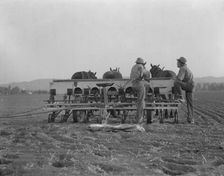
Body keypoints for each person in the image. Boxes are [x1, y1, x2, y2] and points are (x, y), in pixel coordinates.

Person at [174, 57, 195, 124]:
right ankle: (191, 119)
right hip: (191, 85)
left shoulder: (182, 69)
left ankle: (180, 97)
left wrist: (175, 79)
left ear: (181, 63)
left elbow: (179, 79)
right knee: (189, 103)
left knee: (176, 83)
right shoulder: (185, 68)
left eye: (178, 62)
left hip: (188, 85)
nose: (177, 63)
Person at [130, 57, 148, 124]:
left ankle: (138, 117)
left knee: (139, 101)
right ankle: (139, 119)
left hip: (133, 85)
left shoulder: (133, 66)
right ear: (142, 63)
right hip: (139, 85)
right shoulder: (141, 67)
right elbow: (142, 75)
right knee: (141, 102)